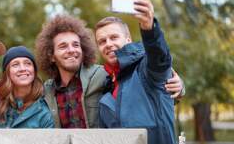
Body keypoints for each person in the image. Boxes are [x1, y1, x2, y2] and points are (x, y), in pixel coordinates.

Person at [35, 14, 184, 129]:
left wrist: (179, 85)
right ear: (51, 55)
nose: (71, 50)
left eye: (75, 45)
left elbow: (151, 84)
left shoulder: (103, 75)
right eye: (63, 46)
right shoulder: (47, 90)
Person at [95, 0, 176, 144]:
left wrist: (149, 29)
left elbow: (160, 59)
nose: (108, 44)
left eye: (114, 37)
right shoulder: (107, 86)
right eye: (102, 41)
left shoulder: (146, 68)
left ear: (128, 39)